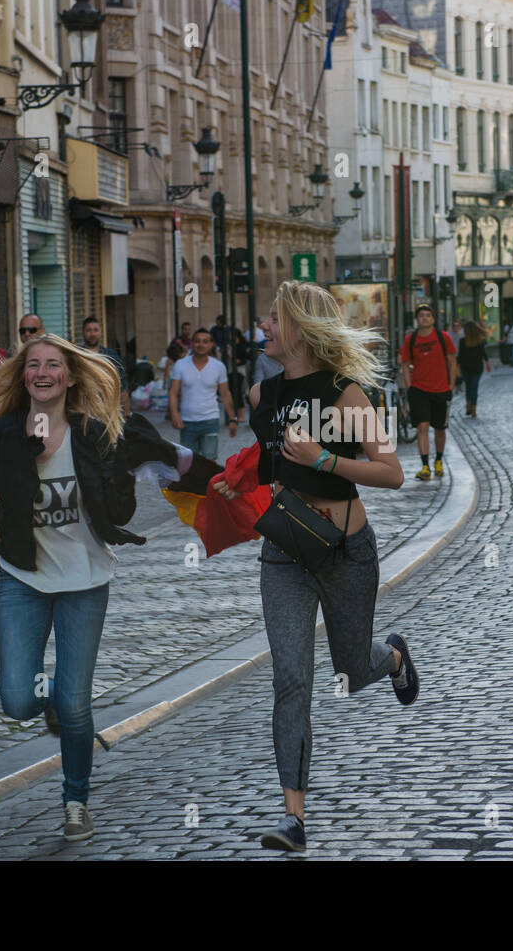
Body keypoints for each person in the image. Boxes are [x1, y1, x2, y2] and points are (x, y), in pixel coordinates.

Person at [210, 280, 411, 854]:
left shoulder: (347, 395)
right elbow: (269, 465)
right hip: (285, 555)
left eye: (273, 317)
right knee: (291, 679)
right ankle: (293, 815)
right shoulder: (259, 396)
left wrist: (325, 458)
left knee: (353, 665)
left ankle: (393, 657)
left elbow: (392, 471)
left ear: (300, 326)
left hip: (347, 553)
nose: (263, 327)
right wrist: (237, 481)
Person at [0, 333, 143, 843]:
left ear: (70, 376)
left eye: (53, 365)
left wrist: (131, 472)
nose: (43, 373)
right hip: (22, 579)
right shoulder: (4, 433)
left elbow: (119, 511)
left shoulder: (93, 432)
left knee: (76, 703)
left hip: (85, 580)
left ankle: (76, 800)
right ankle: (54, 703)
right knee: (16, 700)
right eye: (33, 365)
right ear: (22, 374)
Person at [399, 303, 457, 480]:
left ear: (432, 319)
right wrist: (409, 385)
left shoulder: (443, 337)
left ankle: (438, 460)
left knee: (440, 429)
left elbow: (452, 361)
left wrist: (451, 385)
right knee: (422, 426)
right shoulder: (411, 340)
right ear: (417, 320)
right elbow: (405, 364)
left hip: (440, 389)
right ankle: (425, 466)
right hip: (419, 390)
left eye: (427, 315)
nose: (424, 318)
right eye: (421, 315)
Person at [168, 327, 238, 460]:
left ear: (211, 345)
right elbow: (173, 392)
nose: (201, 345)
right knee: (188, 462)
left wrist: (232, 419)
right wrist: (174, 415)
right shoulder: (180, 365)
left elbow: (225, 394)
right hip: (187, 421)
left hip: (210, 420)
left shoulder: (218, 366)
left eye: (205, 341)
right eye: (197, 341)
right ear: (192, 344)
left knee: (209, 462)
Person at [81, 315, 129, 416]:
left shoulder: (111, 357)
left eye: (95, 330)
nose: (92, 334)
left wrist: (127, 415)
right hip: (82, 412)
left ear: (100, 332)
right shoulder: (76, 356)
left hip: (107, 413)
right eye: (88, 330)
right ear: (83, 332)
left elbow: (122, 388)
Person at [457, 320, 492, 417]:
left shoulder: (464, 341)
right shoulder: (479, 341)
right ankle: (473, 408)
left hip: (466, 367)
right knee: (474, 387)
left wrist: (458, 367)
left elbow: (460, 356)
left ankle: (469, 405)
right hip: (476, 367)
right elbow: (483, 354)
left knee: (469, 387)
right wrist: (488, 363)